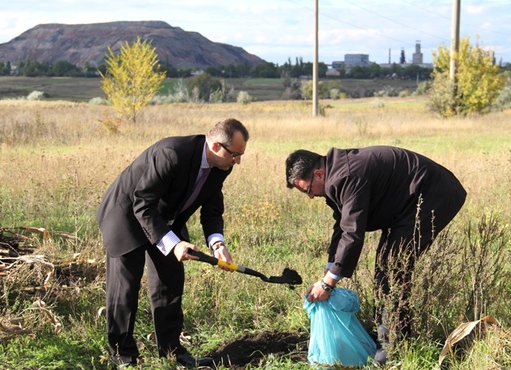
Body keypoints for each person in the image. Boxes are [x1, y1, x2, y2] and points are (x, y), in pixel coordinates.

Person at [285, 146, 466, 364]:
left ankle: (391, 351)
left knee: (391, 269)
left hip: (432, 195)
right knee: (388, 268)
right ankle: (396, 338)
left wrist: (328, 284)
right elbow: (341, 227)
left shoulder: (345, 176)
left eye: (308, 190)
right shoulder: (336, 175)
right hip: (407, 204)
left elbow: (353, 234)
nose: (311, 196)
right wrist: (329, 270)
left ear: (318, 174)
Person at [97, 118, 249, 368]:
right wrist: (175, 244)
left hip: (164, 218)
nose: (238, 161)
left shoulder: (223, 165)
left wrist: (217, 243)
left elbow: (212, 210)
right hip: (126, 215)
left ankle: (171, 351)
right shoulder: (172, 154)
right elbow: (142, 204)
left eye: (241, 155)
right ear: (214, 146)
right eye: (235, 154)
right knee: (125, 289)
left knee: (170, 281)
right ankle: (123, 356)